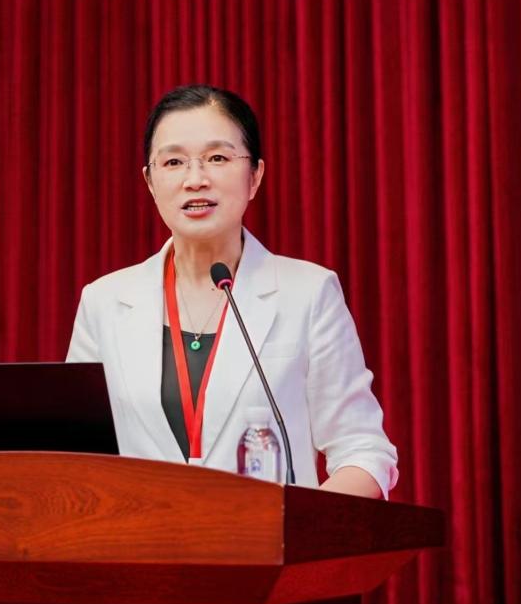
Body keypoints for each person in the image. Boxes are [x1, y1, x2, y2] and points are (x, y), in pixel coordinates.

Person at [66, 84, 398, 500]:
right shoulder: (104, 302)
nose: (195, 180)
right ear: (150, 181)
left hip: (264, 541)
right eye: (173, 162)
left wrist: (298, 529)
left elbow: (362, 451)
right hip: (139, 539)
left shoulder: (309, 294)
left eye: (218, 158)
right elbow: (74, 455)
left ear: (254, 176)